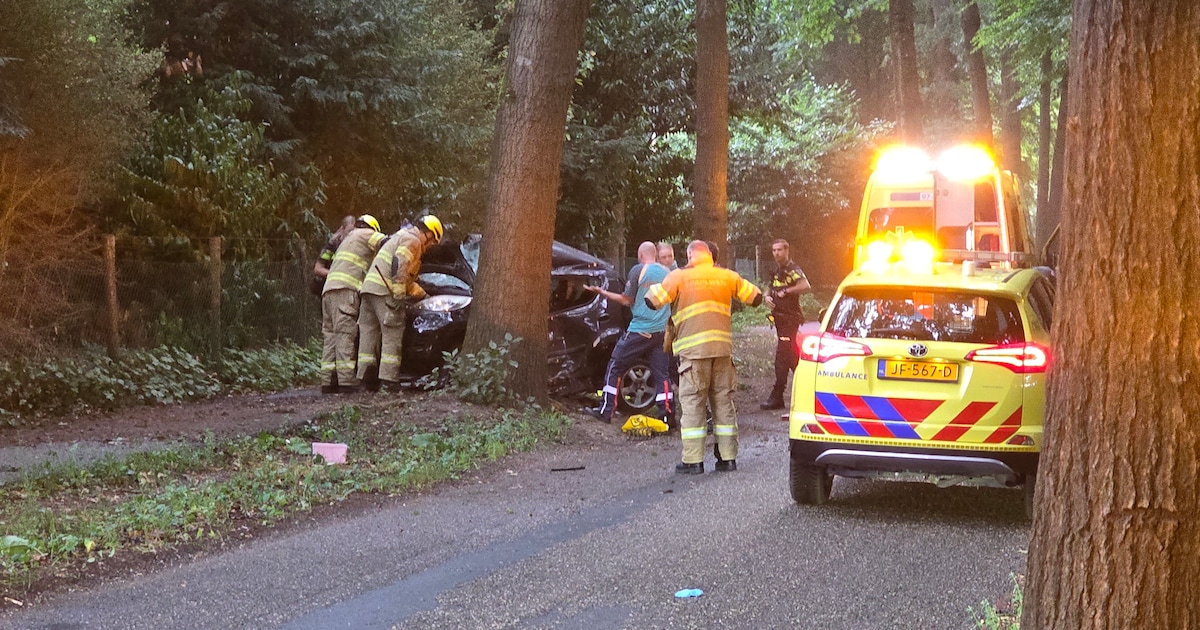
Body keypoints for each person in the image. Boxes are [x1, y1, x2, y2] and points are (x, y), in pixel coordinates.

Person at [645, 241, 762, 474]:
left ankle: (693, 461)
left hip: (693, 354)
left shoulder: (679, 276)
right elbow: (755, 296)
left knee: (693, 405)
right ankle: (728, 459)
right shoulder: (727, 276)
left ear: (689, 254)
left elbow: (652, 301)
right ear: (709, 255)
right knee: (723, 404)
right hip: (721, 352)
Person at [584, 241, 672, 423]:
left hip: (640, 330)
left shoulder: (638, 270)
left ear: (640, 256)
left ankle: (606, 410)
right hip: (661, 333)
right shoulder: (668, 273)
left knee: (615, 365)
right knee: (662, 373)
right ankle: (668, 416)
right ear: (655, 255)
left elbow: (626, 300)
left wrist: (602, 292)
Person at [357, 215, 444, 392]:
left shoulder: (401, 235)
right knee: (392, 333)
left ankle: (366, 379)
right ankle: (389, 382)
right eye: (433, 242)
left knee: (368, 335)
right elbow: (399, 264)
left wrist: (423, 294)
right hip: (385, 291)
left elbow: (408, 280)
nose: (430, 247)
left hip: (369, 290)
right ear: (428, 233)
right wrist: (398, 294)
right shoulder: (414, 241)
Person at [321, 215, 387, 394]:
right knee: (345, 335)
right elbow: (387, 243)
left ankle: (327, 381)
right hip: (345, 292)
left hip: (328, 291)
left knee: (330, 337)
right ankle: (346, 382)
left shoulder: (347, 239)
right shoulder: (366, 234)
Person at [761, 239, 811, 410]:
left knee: (782, 357)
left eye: (779, 250)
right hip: (779, 319)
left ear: (787, 250)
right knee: (791, 356)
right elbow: (769, 287)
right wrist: (767, 297)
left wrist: (787, 291)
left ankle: (778, 395)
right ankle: (808, 389)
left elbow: (805, 285)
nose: (776, 253)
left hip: (790, 318)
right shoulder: (777, 270)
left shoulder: (793, 269)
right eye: (774, 250)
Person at [309, 215, 357, 295]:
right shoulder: (332, 244)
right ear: (342, 229)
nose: (351, 235)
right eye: (349, 231)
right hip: (327, 286)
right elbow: (318, 268)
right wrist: (336, 275)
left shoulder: (356, 246)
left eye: (354, 232)